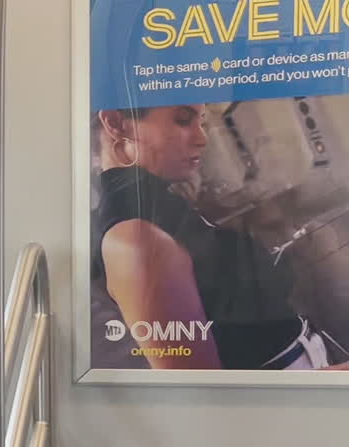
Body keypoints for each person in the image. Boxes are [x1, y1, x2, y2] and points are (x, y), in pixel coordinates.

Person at [92, 103, 347, 370]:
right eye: (182, 120)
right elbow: (201, 391)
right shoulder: (137, 239)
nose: (201, 139)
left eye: (201, 122)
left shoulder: (162, 208)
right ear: (115, 122)